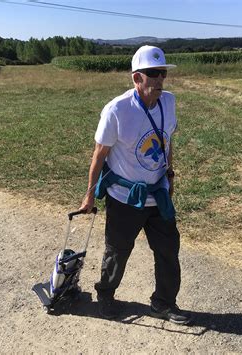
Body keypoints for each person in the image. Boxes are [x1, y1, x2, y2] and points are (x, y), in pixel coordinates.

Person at [79, 45, 190, 325]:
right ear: (136, 78)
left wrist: (170, 175)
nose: (159, 80)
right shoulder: (117, 110)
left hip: (158, 195)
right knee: (117, 250)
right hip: (124, 197)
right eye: (152, 74)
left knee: (168, 251)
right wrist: (89, 195)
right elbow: (99, 154)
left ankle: (163, 303)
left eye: (162, 73)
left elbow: (167, 140)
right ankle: (105, 295)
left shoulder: (169, 102)